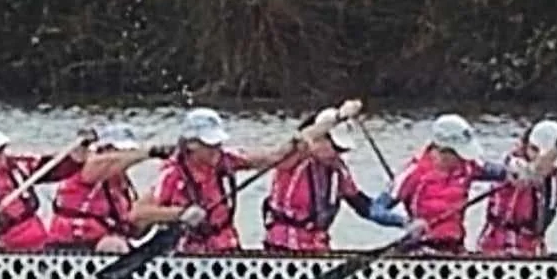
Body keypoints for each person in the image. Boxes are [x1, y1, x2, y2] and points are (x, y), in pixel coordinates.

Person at [133, 107, 297, 255]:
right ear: (191, 145)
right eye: (209, 145)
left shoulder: (226, 160)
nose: (216, 150)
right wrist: (180, 214)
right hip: (189, 255)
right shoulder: (172, 174)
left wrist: (296, 143)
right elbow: (138, 214)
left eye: (218, 143)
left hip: (227, 249)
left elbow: (271, 158)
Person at [262, 107, 392, 254]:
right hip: (283, 248)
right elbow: (301, 137)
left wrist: (403, 220)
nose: (337, 154)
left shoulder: (338, 169)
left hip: (318, 247)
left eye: (342, 150)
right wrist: (339, 115)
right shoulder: (294, 157)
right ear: (319, 139)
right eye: (335, 147)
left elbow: (364, 207)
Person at [0, 121, 83, 252]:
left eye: (1, 149)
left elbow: (51, 167)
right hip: (3, 252)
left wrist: (74, 157)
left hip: (37, 239)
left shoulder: (17, 167)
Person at [386, 115, 512, 254]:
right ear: (444, 151)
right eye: (459, 154)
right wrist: (405, 222)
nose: (463, 159)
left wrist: (517, 171)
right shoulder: (413, 173)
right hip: (421, 247)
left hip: (454, 247)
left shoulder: (468, 166)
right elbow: (375, 210)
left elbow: (500, 173)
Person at [478, 119, 557, 258]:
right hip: (499, 249)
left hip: (532, 250)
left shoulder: (552, 176)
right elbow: (533, 172)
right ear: (531, 149)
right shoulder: (514, 165)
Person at [48, 122, 163, 254]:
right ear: (105, 150)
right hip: (72, 248)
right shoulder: (85, 168)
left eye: (130, 150)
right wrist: (149, 153)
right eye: (121, 150)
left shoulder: (121, 183)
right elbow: (102, 163)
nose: (126, 155)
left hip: (105, 245)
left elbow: (130, 225)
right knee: (114, 245)